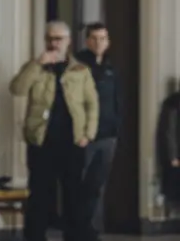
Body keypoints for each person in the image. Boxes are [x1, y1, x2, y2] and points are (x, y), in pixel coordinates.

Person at [9, 20, 99, 241]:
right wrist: (37, 64)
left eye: (58, 39)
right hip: (42, 140)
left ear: (68, 41)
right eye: (49, 38)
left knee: (73, 194)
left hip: (72, 140)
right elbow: (17, 89)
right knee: (40, 194)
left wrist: (88, 134)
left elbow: (92, 104)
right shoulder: (36, 66)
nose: (53, 43)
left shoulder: (81, 70)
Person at [75, 22, 119, 240]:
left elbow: (118, 100)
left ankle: (92, 230)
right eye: (94, 38)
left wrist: (117, 129)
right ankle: (77, 230)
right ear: (87, 41)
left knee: (98, 186)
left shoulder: (111, 67)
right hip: (84, 136)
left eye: (103, 38)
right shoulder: (78, 65)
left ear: (108, 42)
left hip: (108, 136)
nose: (99, 42)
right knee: (80, 185)